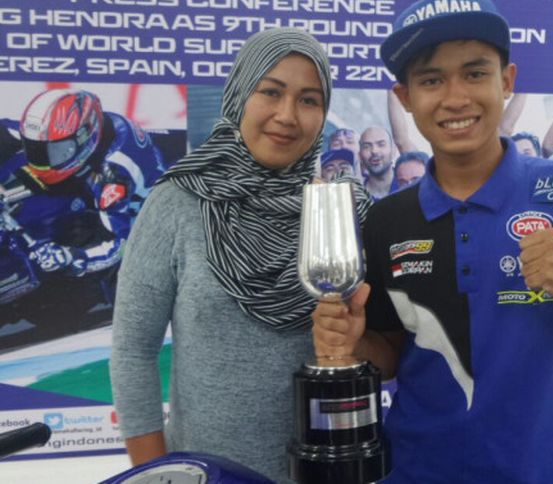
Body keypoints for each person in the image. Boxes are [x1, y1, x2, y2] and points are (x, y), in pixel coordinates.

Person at [311, 0, 553, 483]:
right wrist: (356, 343)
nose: (456, 97)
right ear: (406, 98)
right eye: (431, 79)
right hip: (415, 472)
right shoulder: (387, 219)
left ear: (507, 81)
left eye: (475, 73)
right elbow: (391, 356)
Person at [109, 28, 371, 482]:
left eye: (309, 100)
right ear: (239, 95)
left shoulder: (342, 213)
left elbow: (378, 350)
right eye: (270, 91)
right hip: (205, 474)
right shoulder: (178, 202)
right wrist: (155, 474)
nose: (287, 115)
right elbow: (133, 352)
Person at [0, 89, 166, 279]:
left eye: (54, 152)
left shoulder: (115, 178)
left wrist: (73, 257)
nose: (40, 161)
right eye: (36, 150)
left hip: (128, 216)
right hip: (82, 172)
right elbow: (6, 131)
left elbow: (124, 246)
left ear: (85, 137)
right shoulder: (61, 133)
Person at [359, 126, 399, 199]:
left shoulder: (407, 184)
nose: (374, 151)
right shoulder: (356, 196)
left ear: (393, 150)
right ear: (360, 155)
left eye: (381, 144)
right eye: (367, 146)